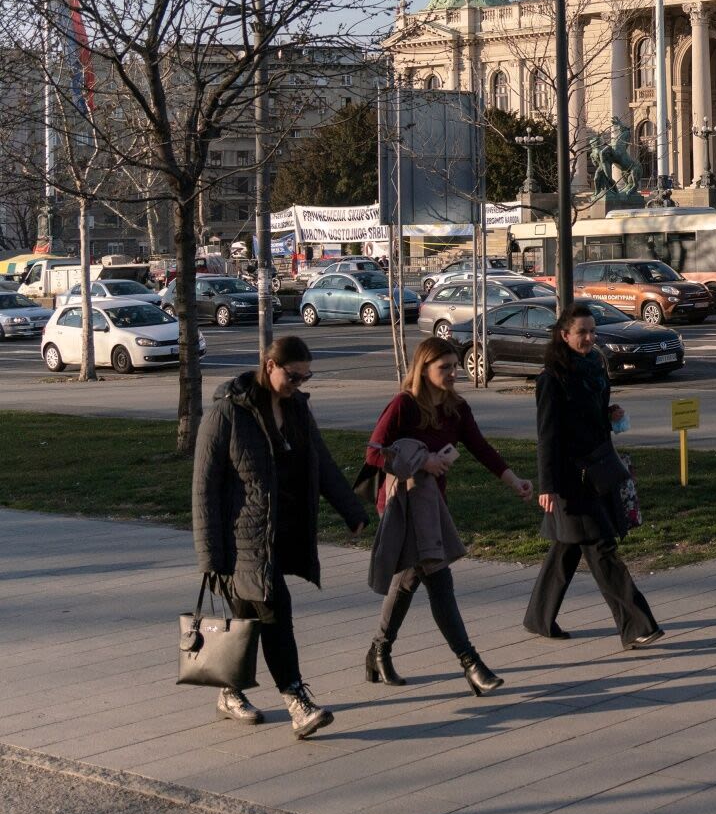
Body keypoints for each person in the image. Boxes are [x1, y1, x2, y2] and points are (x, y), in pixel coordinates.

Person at [192, 336, 369, 737]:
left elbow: (320, 461)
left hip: (282, 530)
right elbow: (203, 490)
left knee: (247, 619)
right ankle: (297, 702)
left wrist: (351, 511)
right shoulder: (227, 413)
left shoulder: (296, 410)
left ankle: (229, 691)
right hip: (242, 541)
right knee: (275, 612)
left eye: (306, 378)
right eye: (293, 376)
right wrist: (210, 558)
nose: (298, 384)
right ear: (269, 366)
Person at [364, 337, 535, 695]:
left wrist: (514, 480)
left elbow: (480, 447)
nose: (454, 372)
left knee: (410, 578)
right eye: (445, 367)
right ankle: (471, 664)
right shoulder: (403, 405)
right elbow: (374, 453)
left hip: (432, 507)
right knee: (439, 580)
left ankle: (379, 651)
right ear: (423, 370)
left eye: (455, 366)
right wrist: (420, 461)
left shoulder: (457, 407)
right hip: (402, 505)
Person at [523, 302, 664, 649]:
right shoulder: (552, 379)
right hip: (571, 478)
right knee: (601, 548)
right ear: (564, 335)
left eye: (592, 331)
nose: (589, 337)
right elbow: (548, 436)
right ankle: (637, 625)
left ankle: (538, 618)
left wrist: (610, 414)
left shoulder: (595, 366)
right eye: (582, 332)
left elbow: (593, 414)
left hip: (597, 470)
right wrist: (548, 485)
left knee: (567, 548)